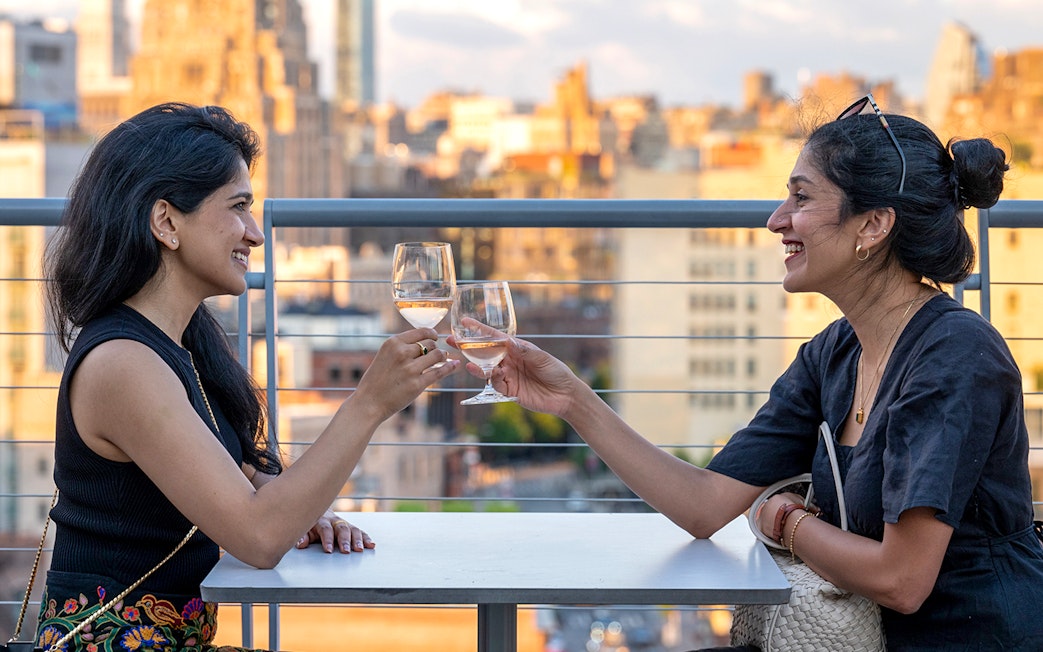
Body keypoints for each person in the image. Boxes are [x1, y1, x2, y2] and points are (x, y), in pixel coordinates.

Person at [454, 95, 1043, 650]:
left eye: (802, 198)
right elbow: (705, 503)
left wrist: (786, 522)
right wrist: (573, 400)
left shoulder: (955, 356)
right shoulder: (834, 353)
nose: (776, 220)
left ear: (873, 225)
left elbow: (901, 579)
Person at [34, 102, 459, 651]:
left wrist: (302, 509)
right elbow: (259, 538)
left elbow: (236, 477)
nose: (255, 234)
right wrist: (369, 403)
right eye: (238, 207)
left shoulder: (181, 344)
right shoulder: (123, 364)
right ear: (166, 222)